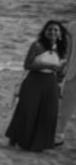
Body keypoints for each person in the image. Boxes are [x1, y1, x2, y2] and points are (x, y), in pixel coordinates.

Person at [6, 20, 67, 152]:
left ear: (60, 33)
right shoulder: (37, 45)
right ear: (45, 31)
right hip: (34, 80)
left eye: (56, 30)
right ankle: (18, 139)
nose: (52, 32)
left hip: (51, 82)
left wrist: (60, 76)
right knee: (27, 110)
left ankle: (39, 144)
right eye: (50, 29)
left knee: (48, 112)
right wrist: (48, 65)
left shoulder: (61, 49)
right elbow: (27, 65)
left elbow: (61, 70)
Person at [56, 20, 76, 147]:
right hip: (73, 71)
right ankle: (59, 133)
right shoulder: (73, 26)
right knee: (67, 105)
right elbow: (67, 50)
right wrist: (63, 67)